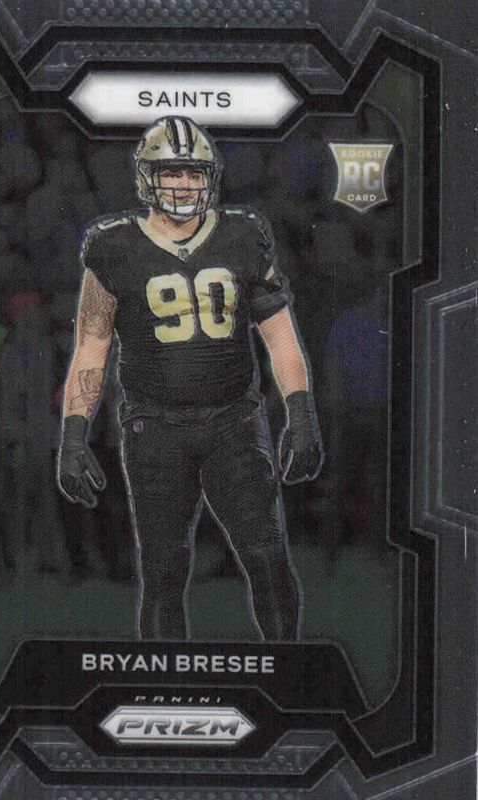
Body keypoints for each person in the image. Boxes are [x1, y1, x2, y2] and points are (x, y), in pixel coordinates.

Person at [56, 116, 323, 641]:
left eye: (194, 173)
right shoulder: (113, 246)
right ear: (147, 177)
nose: (183, 184)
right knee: (162, 573)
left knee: (267, 558)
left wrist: (301, 412)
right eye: (171, 172)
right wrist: (72, 433)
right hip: (154, 426)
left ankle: (285, 672)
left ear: (210, 177)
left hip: (234, 422)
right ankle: (165, 678)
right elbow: (92, 346)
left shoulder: (242, 234)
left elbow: (280, 334)